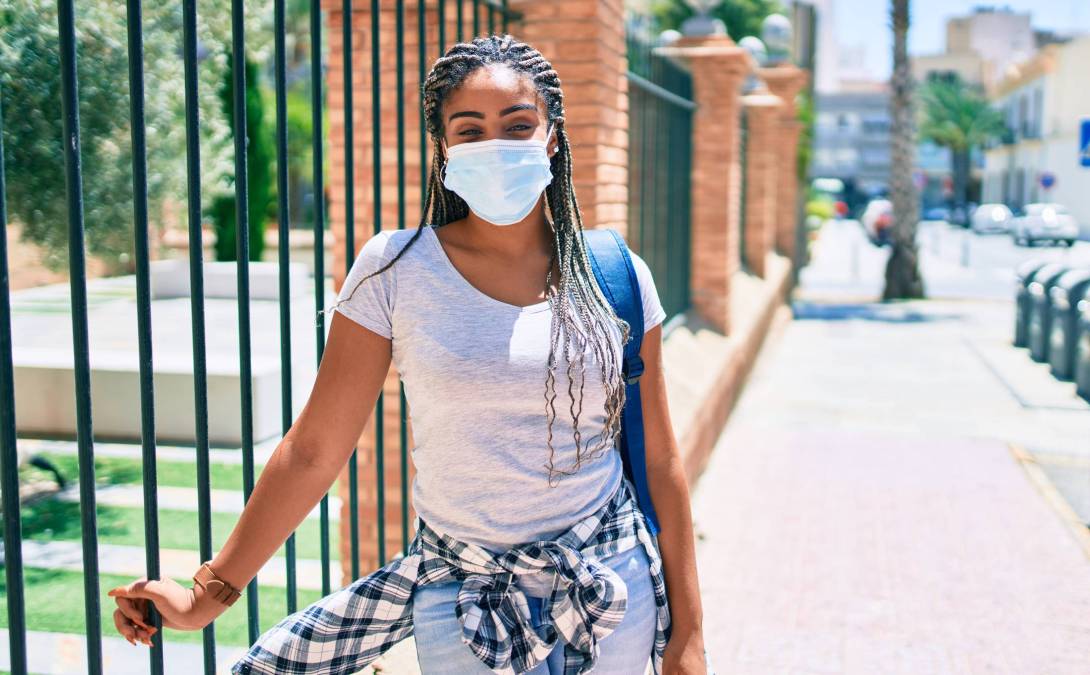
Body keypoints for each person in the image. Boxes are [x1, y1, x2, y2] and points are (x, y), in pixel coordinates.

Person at [109, 34, 707, 674]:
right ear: (444, 150)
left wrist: (690, 634)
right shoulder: (394, 269)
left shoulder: (616, 272)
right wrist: (207, 594)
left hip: (610, 587)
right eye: (470, 129)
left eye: (518, 125)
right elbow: (314, 450)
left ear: (552, 138)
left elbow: (660, 457)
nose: (495, 145)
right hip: (461, 599)